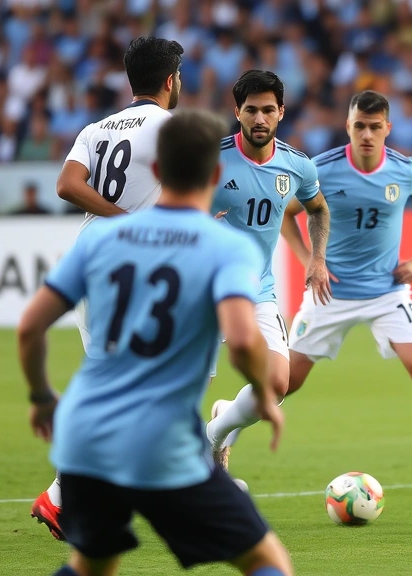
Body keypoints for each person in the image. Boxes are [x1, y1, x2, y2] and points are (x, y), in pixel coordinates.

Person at [17, 108, 292, 576]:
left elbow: (29, 327)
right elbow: (244, 340)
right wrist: (264, 395)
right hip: (161, 441)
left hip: (82, 436)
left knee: (93, 564)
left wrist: (43, 397)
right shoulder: (226, 247)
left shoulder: (100, 238)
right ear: (217, 172)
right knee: (268, 561)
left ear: (159, 171)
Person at [275, 91, 412, 494]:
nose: (366, 134)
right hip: (332, 293)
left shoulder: (404, 169)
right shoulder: (321, 169)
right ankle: (223, 431)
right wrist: (312, 260)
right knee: (284, 383)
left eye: (374, 127)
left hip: (387, 292)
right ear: (347, 126)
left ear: (387, 129)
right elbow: (287, 217)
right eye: (359, 126)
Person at [31, 35, 183, 541]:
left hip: (89, 260)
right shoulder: (170, 126)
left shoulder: (96, 129)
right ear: (170, 81)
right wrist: (133, 223)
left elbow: (66, 185)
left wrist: (117, 219)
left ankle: (75, 495)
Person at [203, 70, 331, 470]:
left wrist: (317, 258)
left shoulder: (297, 166)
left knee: (277, 383)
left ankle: (215, 433)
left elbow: (318, 209)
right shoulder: (210, 159)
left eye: (268, 110)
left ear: (281, 113)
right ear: (237, 111)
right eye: (252, 110)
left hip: (255, 289)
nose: (260, 119)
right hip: (200, 290)